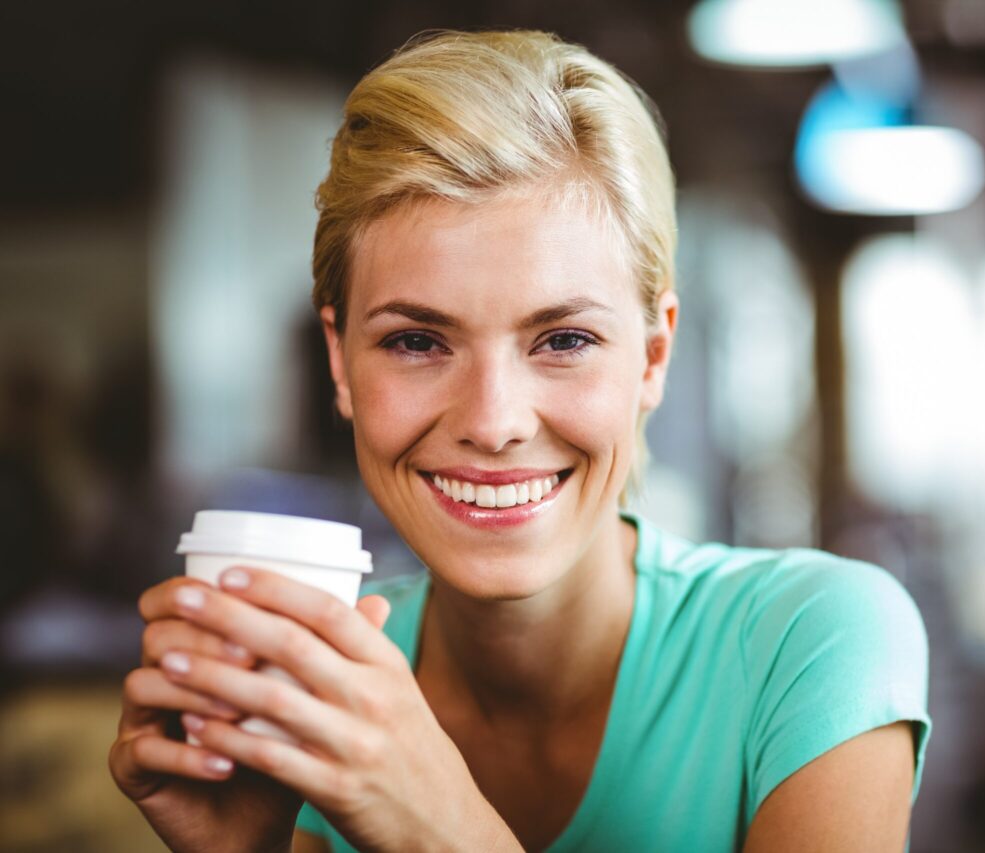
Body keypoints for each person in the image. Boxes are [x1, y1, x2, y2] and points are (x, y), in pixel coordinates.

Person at [109, 29, 931, 852]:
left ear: (654, 355)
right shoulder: (312, 684)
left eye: (564, 339)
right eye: (417, 341)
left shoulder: (814, 639)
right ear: (340, 360)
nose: (494, 421)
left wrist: (440, 825)